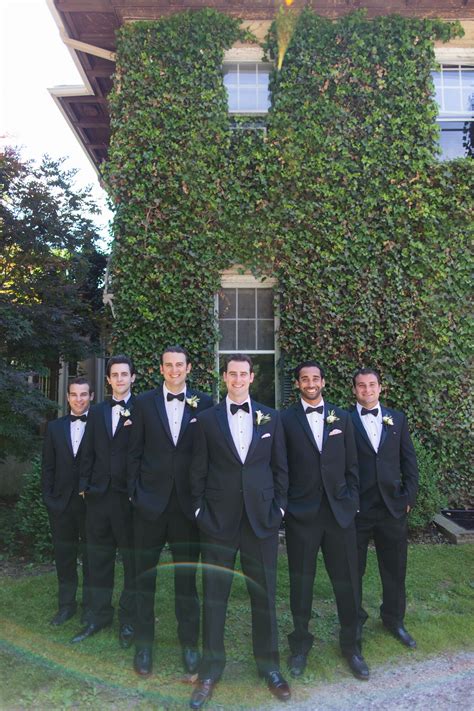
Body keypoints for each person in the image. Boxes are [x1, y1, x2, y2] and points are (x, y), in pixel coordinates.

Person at [189, 354, 290, 709]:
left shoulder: (272, 418)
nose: (238, 379)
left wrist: (278, 509)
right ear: (224, 377)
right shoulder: (205, 420)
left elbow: (281, 468)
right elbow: (196, 471)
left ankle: (270, 667)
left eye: (243, 374)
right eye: (232, 373)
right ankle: (210, 670)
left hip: (261, 521)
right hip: (217, 521)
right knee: (215, 596)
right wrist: (200, 511)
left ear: (251, 377)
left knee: (264, 595)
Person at [127, 345, 213, 677]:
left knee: (186, 580)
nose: (174, 370)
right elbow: (134, 453)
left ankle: (189, 646)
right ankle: (144, 646)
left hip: (186, 508)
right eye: (168, 365)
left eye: (179, 365)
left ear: (188, 368)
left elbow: (207, 455)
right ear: (160, 369)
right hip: (149, 504)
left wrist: (200, 500)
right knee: (143, 578)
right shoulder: (145, 403)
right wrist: (135, 495)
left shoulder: (204, 403)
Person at [281, 361, 369, 681]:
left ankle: (352, 647)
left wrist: (352, 503)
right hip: (302, 516)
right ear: (298, 384)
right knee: (301, 584)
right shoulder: (284, 419)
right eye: (304, 379)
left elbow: (353, 466)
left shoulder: (342, 418)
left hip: (339, 515)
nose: (310, 383)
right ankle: (300, 646)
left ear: (323, 382)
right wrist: (287, 506)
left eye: (315, 378)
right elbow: (282, 466)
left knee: (347, 583)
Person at [70, 355, 136, 648]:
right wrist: (84, 487)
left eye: (124, 374)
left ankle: (129, 621)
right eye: (114, 375)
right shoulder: (96, 413)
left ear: (132, 378)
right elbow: (87, 452)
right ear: (108, 380)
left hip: (128, 500)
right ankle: (98, 616)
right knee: (98, 560)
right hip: (97, 498)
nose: (119, 379)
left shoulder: (144, 409)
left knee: (132, 563)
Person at [351, 367, 419, 649]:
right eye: (361, 386)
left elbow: (409, 463)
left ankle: (394, 619)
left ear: (380, 388)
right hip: (358, 511)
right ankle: (354, 623)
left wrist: (408, 499)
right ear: (354, 390)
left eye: (372, 385)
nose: (367, 390)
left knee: (394, 569)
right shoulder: (343, 420)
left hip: (392, 509)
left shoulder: (397, 420)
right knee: (353, 571)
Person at [41, 377, 93, 626]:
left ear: (91, 396)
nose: (79, 399)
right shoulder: (54, 428)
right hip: (60, 505)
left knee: (92, 557)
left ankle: (91, 607)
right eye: (74, 394)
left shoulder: (99, 425)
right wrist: (49, 499)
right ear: (68, 397)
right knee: (65, 557)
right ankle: (66, 605)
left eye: (84, 394)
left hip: (90, 505)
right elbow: (48, 468)